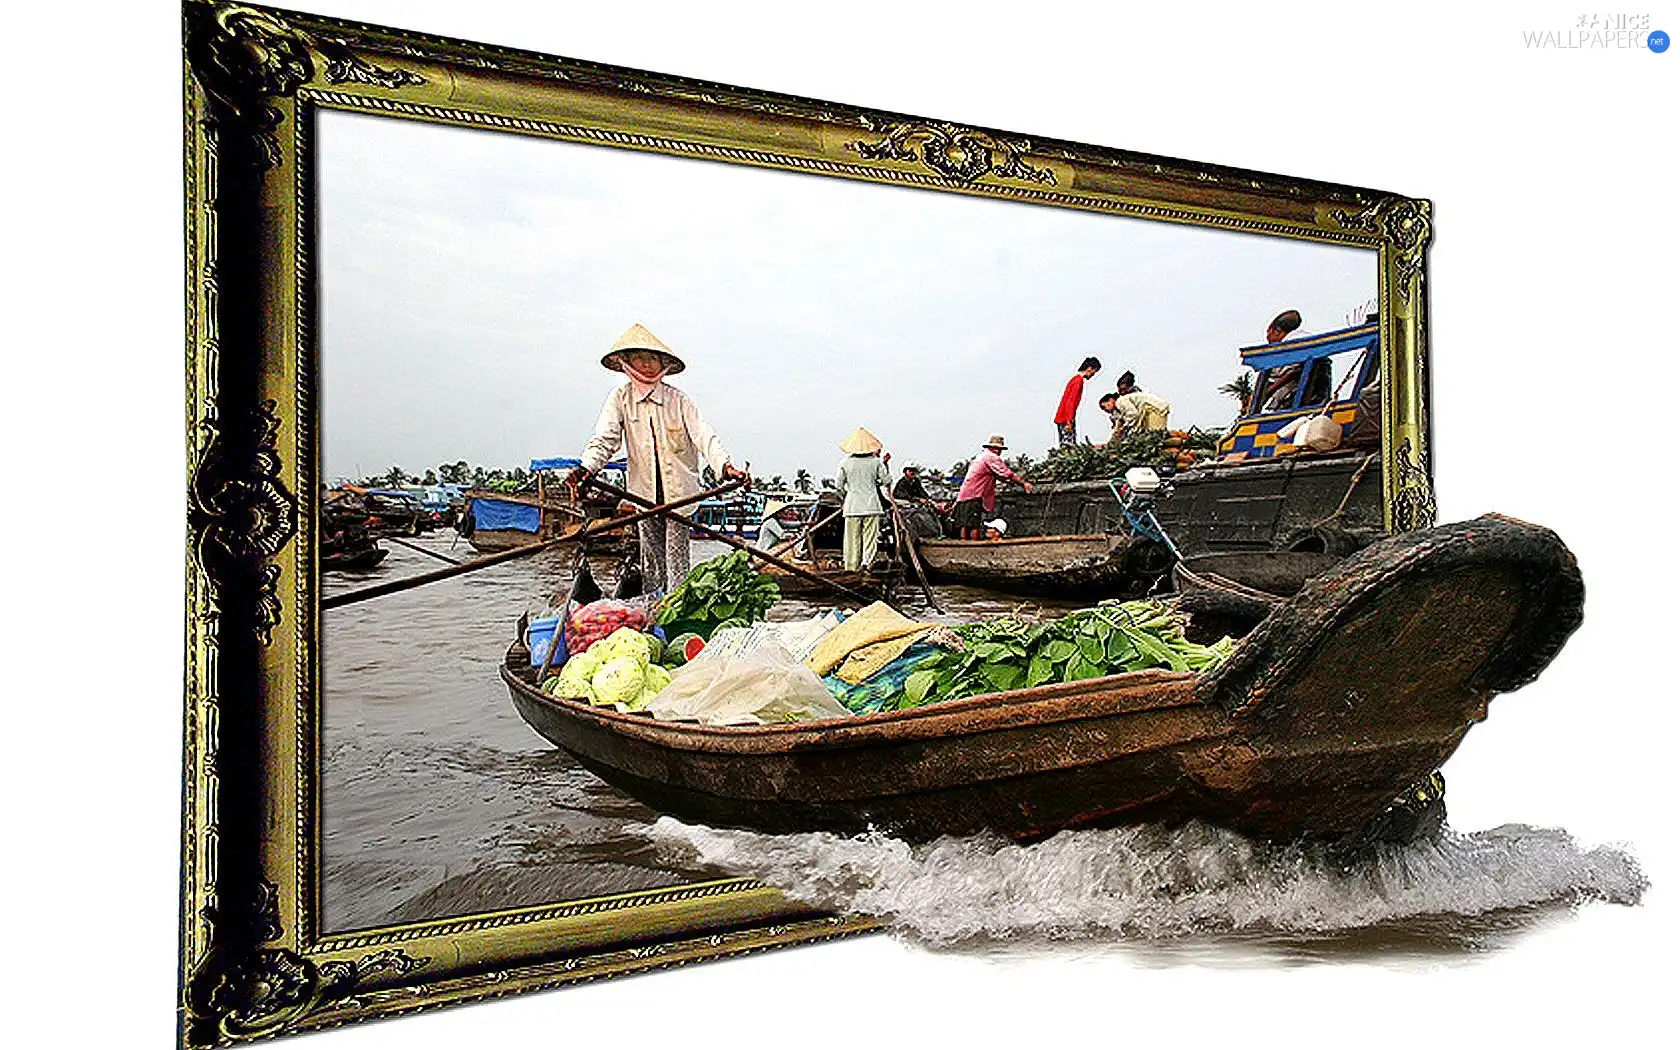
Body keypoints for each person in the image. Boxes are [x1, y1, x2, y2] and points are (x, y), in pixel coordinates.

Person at [567, 323, 746, 594]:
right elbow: (605, 439)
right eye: (640, 358)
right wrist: (586, 468)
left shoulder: (678, 401)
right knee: (651, 560)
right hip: (644, 495)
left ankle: (676, 609)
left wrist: (725, 466)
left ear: (663, 363)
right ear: (626, 362)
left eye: (652, 359)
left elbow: (703, 435)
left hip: (680, 496)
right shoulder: (621, 399)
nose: (647, 365)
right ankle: (652, 609)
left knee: (676, 562)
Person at [952, 435, 1033, 540]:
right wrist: (1024, 483)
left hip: (965, 494)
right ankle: (973, 547)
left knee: (964, 522)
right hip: (974, 495)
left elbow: (997, 475)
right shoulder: (991, 457)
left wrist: (1011, 483)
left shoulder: (981, 457)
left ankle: (964, 545)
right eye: (999, 449)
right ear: (996, 449)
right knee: (972, 523)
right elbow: (1007, 473)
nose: (1000, 452)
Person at [834, 427, 891, 571]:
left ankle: (851, 567)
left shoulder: (845, 463)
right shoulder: (876, 462)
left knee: (852, 540)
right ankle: (867, 565)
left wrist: (847, 495)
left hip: (852, 507)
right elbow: (886, 481)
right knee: (870, 539)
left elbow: (838, 486)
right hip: (871, 506)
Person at [1259, 309, 1310, 409]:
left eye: (1268, 333)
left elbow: (1295, 371)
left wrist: (1268, 392)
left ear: (1277, 331)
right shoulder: (1308, 339)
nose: (1268, 339)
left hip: (1294, 400)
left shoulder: (1288, 346)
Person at [1054, 357, 1102, 446]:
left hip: (1064, 417)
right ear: (1090, 368)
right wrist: (1069, 421)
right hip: (1066, 418)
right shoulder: (1078, 381)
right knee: (1069, 446)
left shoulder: (1075, 379)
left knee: (1066, 445)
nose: (1093, 375)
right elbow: (1070, 402)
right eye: (1094, 372)